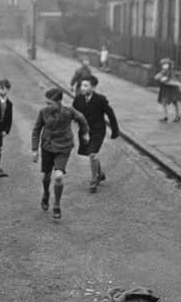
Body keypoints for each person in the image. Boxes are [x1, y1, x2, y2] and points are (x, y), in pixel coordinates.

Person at [31, 88, 90, 220]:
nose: (47, 106)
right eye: (47, 103)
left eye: (50, 103)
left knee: (58, 177)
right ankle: (46, 194)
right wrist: (35, 150)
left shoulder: (68, 111)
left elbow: (81, 119)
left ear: (58, 102)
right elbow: (36, 130)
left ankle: (57, 205)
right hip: (47, 146)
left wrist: (85, 133)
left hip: (63, 147)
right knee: (46, 176)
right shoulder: (43, 112)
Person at [72, 76, 120, 193]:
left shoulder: (100, 100)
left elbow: (111, 114)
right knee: (91, 154)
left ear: (93, 87)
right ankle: (100, 173)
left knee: (93, 154)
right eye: (82, 85)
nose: (82, 88)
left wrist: (115, 130)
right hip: (84, 131)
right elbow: (74, 114)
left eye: (86, 85)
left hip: (98, 131)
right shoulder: (78, 99)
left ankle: (94, 181)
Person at [155, 58, 181, 122]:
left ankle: (177, 116)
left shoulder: (171, 72)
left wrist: (165, 79)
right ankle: (165, 116)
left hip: (171, 89)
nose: (164, 65)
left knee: (174, 102)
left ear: (169, 64)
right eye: (163, 64)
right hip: (164, 89)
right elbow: (156, 77)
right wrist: (161, 76)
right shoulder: (162, 72)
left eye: (166, 64)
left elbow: (172, 80)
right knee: (164, 102)